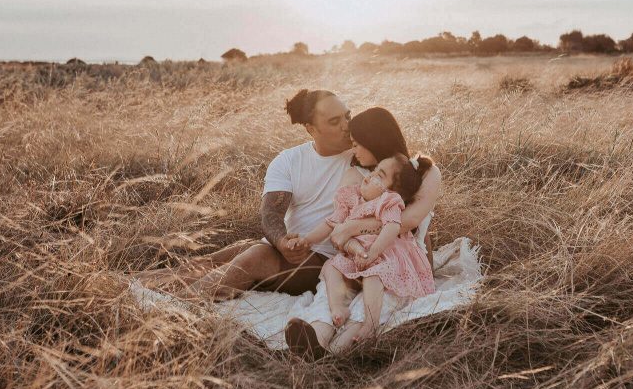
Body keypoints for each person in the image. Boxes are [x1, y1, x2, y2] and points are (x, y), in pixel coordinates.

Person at [133, 88, 353, 298]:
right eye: (335, 121)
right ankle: (125, 283)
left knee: (256, 257)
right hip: (289, 249)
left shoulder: (364, 158)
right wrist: (282, 243)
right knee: (213, 261)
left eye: (347, 116)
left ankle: (177, 309)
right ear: (311, 129)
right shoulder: (289, 159)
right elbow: (271, 214)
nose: (347, 125)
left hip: (328, 261)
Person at [284, 107, 442, 358]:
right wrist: (347, 240)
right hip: (354, 256)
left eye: (357, 144)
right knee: (330, 296)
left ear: (374, 141)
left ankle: (336, 354)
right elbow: (337, 227)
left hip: (398, 260)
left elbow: (407, 221)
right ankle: (315, 340)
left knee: (367, 304)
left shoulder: (420, 172)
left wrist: (353, 227)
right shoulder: (355, 174)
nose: (353, 150)